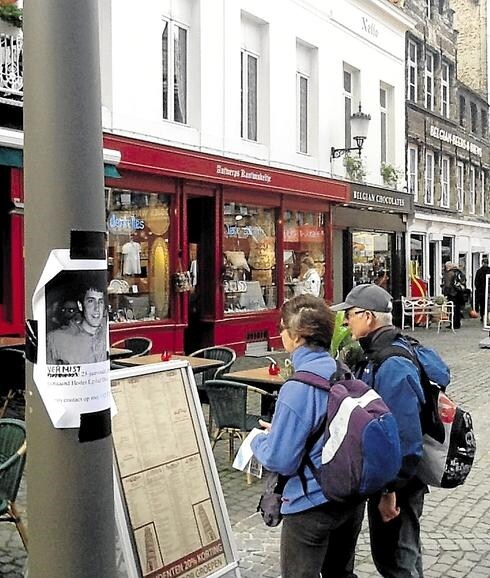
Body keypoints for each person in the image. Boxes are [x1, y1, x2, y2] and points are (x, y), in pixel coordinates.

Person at [251, 294, 365, 578]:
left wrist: (257, 441)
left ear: (297, 337)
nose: (280, 334)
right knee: (340, 572)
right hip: (349, 495)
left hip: (311, 502)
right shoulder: (342, 370)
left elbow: (281, 460)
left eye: (282, 328)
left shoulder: (298, 387)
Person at [331, 284, 428, 578]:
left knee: (395, 560)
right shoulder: (376, 353)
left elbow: (405, 436)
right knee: (401, 556)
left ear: (368, 317)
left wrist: (390, 490)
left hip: (400, 482)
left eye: (350, 315)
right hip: (392, 478)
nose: (346, 322)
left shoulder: (391, 361)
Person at [46, 284, 107, 365]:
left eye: (100, 302)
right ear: (80, 305)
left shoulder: (105, 334)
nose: (97, 308)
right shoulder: (56, 339)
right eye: (91, 301)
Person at [441, 262, 466, 329]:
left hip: (452, 294)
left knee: (452, 309)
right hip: (459, 293)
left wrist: (445, 292)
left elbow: (448, 285)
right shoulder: (458, 272)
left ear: (448, 267)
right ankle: (457, 323)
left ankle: (453, 323)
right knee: (457, 309)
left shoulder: (449, 273)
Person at [474, 258, 490, 323]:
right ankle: (486, 317)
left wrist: (478, 289)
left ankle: (483, 316)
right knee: (486, 304)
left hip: (481, 291)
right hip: (487, 291)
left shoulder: (479, 271)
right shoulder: (488, 270)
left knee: (482, 305)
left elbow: (476, 282)